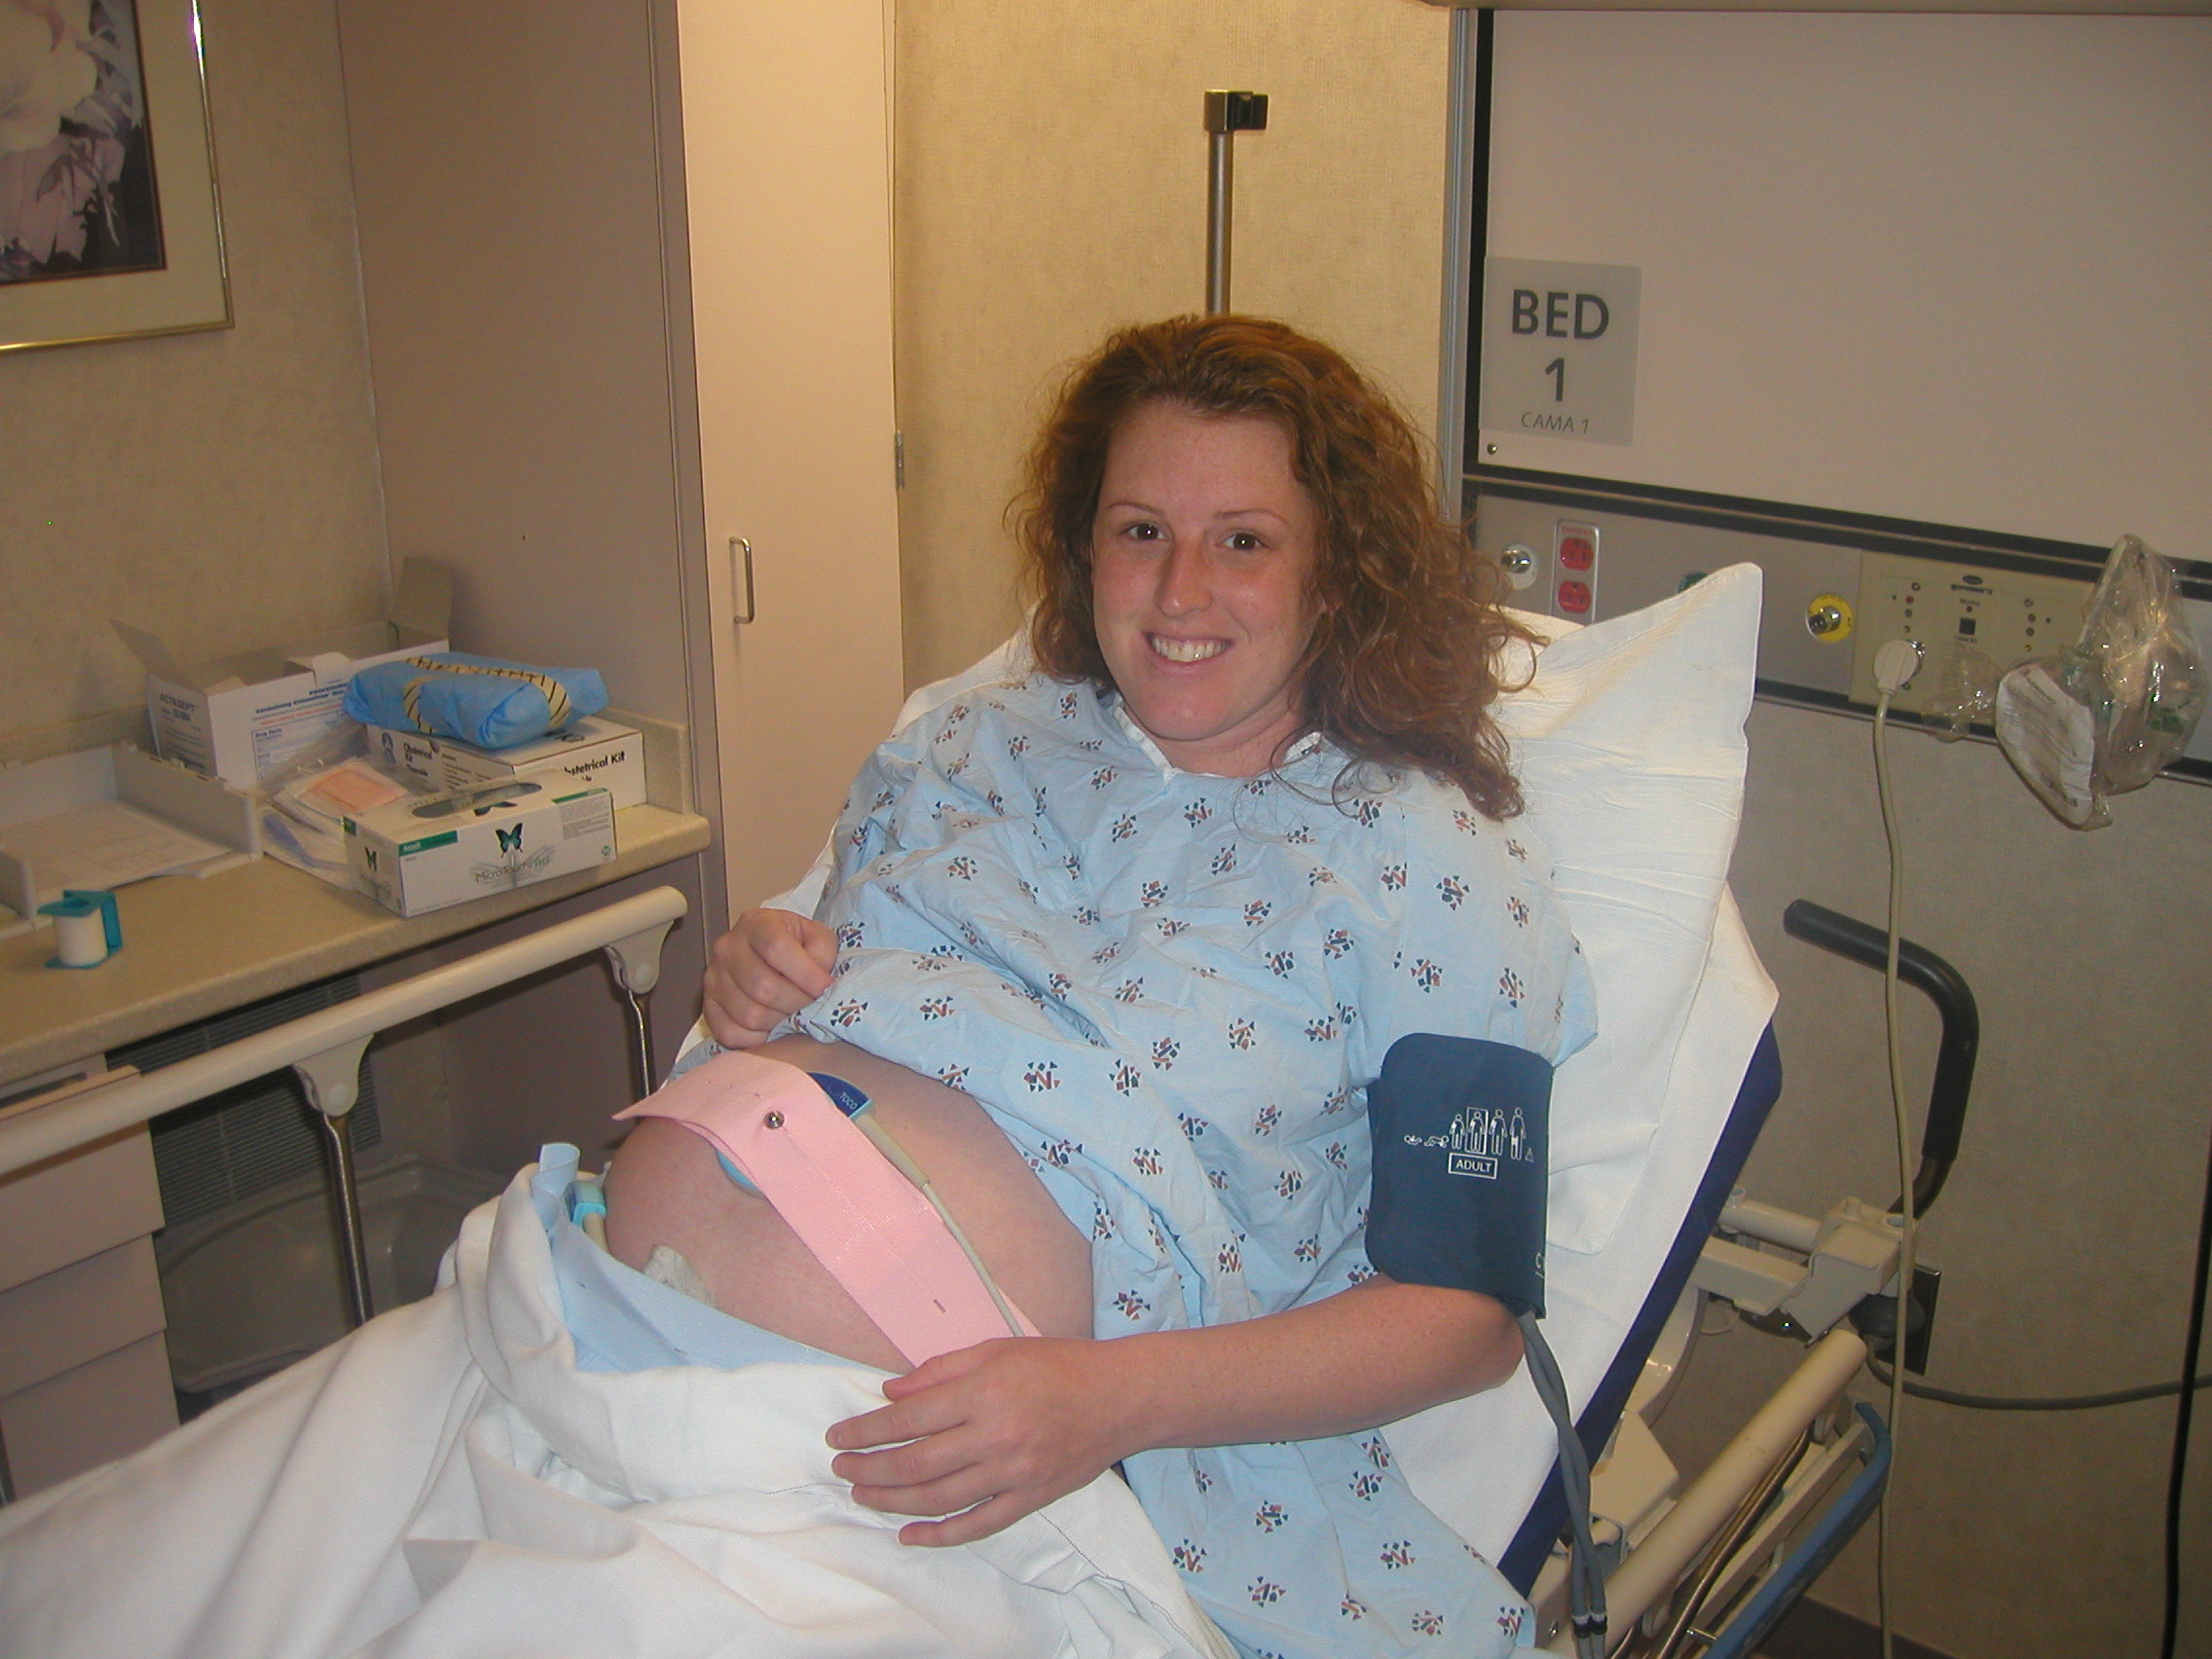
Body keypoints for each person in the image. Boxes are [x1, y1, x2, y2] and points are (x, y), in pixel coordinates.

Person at [606, 313, 1594, 1657]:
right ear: (1085, 547)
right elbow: (835, 1033)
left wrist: (1107, 1401)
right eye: (1140, 531)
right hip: (604, 1329)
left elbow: (1465, 1320)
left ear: (1335, 574)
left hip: (931, 1479)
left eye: (1243, 542)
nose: (1180, 591)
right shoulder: (969, 742)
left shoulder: (1432, 871)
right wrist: (754, 984)